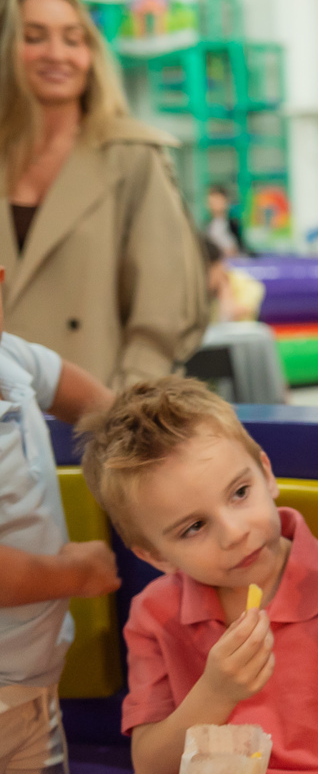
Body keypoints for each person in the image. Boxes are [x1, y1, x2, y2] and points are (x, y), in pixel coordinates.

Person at [78, 377, 318, 774]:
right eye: (194, 527)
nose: (235, 533)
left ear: (266, 473)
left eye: (239, 492)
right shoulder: (153, 615)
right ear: (155, 556)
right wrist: (215, 693)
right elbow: (150, 764)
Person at [0, 0, 207, 389]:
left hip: (96, 405)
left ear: (91, 54)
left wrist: (124, 405)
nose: (57, 54)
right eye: (34, 37)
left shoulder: (132, 156)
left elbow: (162, 310)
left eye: (73, 39)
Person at [0, 263, 119, 774]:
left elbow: (100, 405)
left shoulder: (12, 358)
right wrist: (75, 574)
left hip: (35, 682)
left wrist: (151, 443)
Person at [205, 183, 248, 258]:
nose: (214, 205)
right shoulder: (207, 228)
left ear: (226, 201)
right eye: (212, 202)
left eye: (217, 201)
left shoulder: (234, 225)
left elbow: (241, 249)